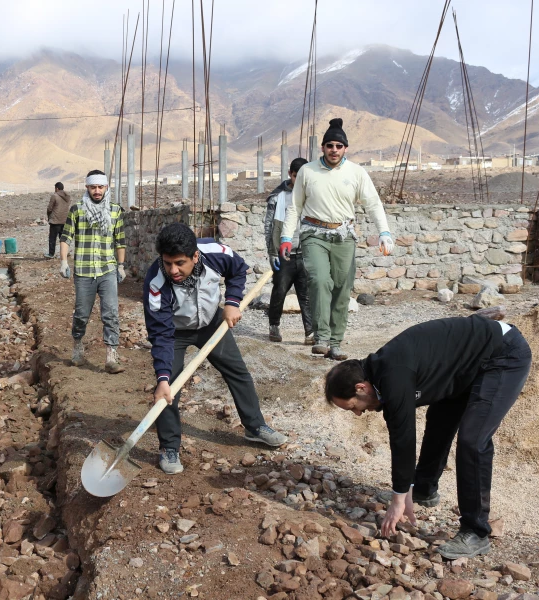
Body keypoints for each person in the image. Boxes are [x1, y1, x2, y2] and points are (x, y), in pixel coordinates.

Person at [324, 316, 531, 559]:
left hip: (503, 355)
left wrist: (398, 500)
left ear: (361, 388)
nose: (358, 413)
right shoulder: (381, 375)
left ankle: (476, 531)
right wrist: (404, 491)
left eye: (353, 407)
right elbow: (398, 434)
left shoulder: (394, 375)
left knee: (473, 440)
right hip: (465, 365)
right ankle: (423, 489)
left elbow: (403, 437)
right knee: (440, 418)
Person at [143, 223, 287, 474]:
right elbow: (161, 335)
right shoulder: (156, 283)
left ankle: (254, 427)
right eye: (167, 263)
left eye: (179, 263)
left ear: (195, 256)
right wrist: (163, 378)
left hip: (211, 324)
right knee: (168, 389)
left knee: (238, 372)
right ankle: (169, 446)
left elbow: (238, 270)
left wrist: (232, 303)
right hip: (173, 333)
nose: (173, 270)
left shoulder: (215, 251)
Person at [280, 118, 394, 361]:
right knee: (320, 280)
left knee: (342, 286)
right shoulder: (307, 171)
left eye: (338, 146)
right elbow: (295, 206)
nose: (334, 150)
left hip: (344, 236)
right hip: (314, 234)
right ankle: (321, 337)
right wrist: (286, 237)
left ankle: (336, 341)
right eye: (329, 145)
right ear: (322, 148)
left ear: (345, 149)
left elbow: (373, 203)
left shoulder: (356, 172)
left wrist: (384, 232)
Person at [59, 170, 127, 374]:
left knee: (111, 313)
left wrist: (121, 265)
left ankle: (111, 356)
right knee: (81, 314)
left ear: (106, 187)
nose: (97, 191)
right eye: (93, 187)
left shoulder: (115, 211)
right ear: (87, 188)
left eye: (100, 187)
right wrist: (63, 261)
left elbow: (120, 240)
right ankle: (78, 347)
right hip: (84, 271)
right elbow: (66, 237)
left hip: (107, 270)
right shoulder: (77, 210)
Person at [264, 157, 313, 344]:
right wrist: (272, 252)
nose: (298, 180)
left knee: (306, 295)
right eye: (295, 176)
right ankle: (274, 327)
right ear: (289, 175)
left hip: (306, 253)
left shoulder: (313, 195)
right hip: (284, 255)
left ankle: (310, 333)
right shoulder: (278, 197)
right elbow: (269, 226)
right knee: (279, 291)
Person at [45, 182, 71, 258]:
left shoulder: (54, 196)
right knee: (63, 239)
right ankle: (65, 253)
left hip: (55, 221)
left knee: (52, 238)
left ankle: (51, 254)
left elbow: (49, 208)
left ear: (57, 188)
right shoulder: (67, 196)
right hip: (65, 220)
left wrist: (49, 217)